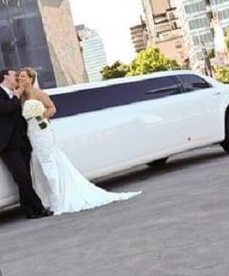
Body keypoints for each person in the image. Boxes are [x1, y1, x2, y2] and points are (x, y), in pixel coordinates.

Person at [17, 67, 141, 215]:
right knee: (37, 165)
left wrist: (40, 115)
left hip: (43, 134)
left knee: (49, 163)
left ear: (31, 79)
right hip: (31, 135)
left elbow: (52, 108)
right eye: (19, 77)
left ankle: (58, 199)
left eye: (23, 76)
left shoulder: (39, 94)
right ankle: (45, 200)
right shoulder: (21, 96)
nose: (20, 79)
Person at [0, 69, 53, 219]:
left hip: (22, 143)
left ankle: (29, 211)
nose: (17, 78)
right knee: (22, 178)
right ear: (5, 78)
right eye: (14, 75)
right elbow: (6, 108)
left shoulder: (20, 96)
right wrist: (17, 94)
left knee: (25, 178)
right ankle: (39, 209)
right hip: (7, 145)